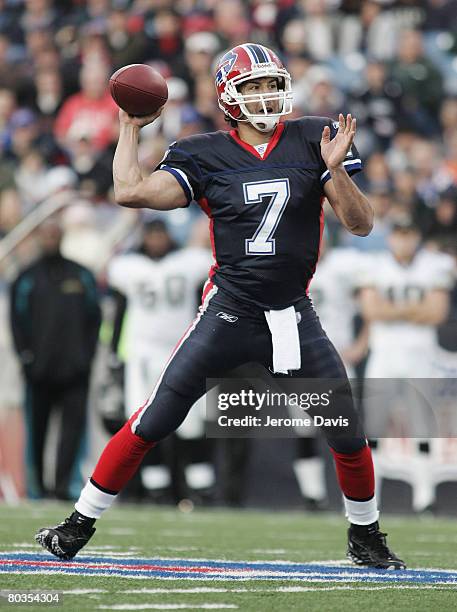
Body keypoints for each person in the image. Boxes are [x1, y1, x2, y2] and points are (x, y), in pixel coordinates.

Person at [36, 43, 405, 569]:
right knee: (155, 419)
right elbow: (129, 190)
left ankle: (365, 538)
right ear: (229, 96)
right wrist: (129, 126)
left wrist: (336, 172)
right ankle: (77, 526)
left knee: (346, 431)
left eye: (270, 84)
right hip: (229, 310)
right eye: (252, 86)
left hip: (292, 313)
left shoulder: (313, 136)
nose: (265, 95)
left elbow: (362, 223)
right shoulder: (203, 151)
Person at [107, 218, 215, 502]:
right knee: (144, 420)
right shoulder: (129, 267)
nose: (156, 240)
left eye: (160, 235)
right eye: (151, 235)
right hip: (142, 354)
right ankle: (156, 487)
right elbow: (119, 311)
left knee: (192, 421)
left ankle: (199, 486)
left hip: (180, 351)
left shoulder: (188, 261)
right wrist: (114, 354)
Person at [359, 217, 454, 513]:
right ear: (391, 238)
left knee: (422, 427)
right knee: (374, 428)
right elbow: (371, 310)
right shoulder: (374, 264)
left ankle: (424, 499)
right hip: (384, 354)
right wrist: (415, 309)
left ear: (417, 236)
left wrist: (393, 310)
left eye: (409, 234)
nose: (404, 240)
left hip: (420, 355)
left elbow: (437, 312)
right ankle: (369, 498)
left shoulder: (435, 264)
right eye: (399, 234)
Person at [10, 218, 101, 500]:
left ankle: (63, 486)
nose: (50, 239)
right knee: (37, 431)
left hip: (75, 371)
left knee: (72, 433)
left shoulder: (81, 275)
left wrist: (86, 357)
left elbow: (94, 319)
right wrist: (26, 357)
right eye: (45, 234)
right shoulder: (26, 277)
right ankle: (37, 487)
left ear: (61, 237)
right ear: (39, 237)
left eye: (54, 234)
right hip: (39, 371)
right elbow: (16, 321)